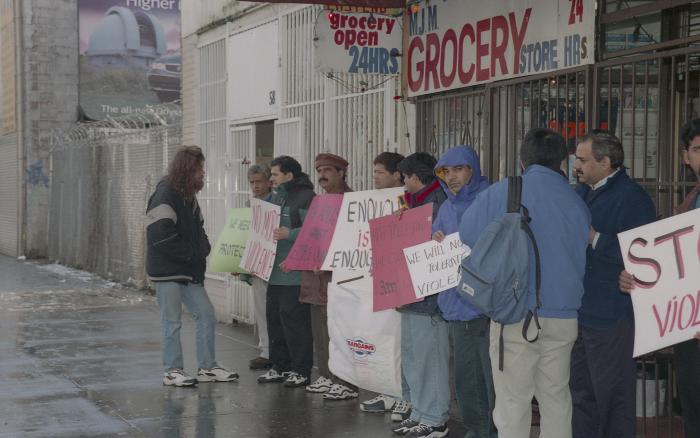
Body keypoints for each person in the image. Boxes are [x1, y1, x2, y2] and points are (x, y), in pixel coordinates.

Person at [460, 128, 590, 438]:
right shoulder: (577, 201)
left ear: (522, 161)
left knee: (512, 403)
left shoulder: (506, 191)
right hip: (564, 317)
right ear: (563, 162)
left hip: (516, 314)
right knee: (556, 399)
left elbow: (467, 233)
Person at [569, 131, 656, 438]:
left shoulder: (633, 197)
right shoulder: (580, 192)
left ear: (605, 163)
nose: (576, 166)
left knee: (613, 398)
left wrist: (594, 238)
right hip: (580, 312)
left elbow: (645, 255)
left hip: (613, 315)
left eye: (582, 160)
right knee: (581, 395)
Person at [619, 118, 700, 438]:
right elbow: (674, 265)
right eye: (697, 148)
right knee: (693, 413)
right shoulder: (689, 202)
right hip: (688, 333)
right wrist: (635, 279)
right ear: (686, 157)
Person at [146, 145, 238, 387]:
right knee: (171, 321)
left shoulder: (188, 196)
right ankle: (172, 371)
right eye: (199, 169)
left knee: (206, 314)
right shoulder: (165, 194)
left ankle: (207, 367)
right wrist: (193, 254)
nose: (203, 174)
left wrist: (203, 249)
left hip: (187, 271)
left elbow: (198, 229)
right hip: (169, 271)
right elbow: (160, 236)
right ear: (187, 169)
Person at [432, 145, 495, 437]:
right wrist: (436, 239)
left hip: (483, 305)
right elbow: (437, 243)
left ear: (473, 169)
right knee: (466, 377)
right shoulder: (445, 206)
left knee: (484, 377)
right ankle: (477, 429)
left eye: (459, 169)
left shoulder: (489, 200)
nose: (452, 177)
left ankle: (487, 431)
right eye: (446, 171)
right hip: (453, 303)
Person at [391, 152, 450, 438]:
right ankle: (419, 412)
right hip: (411, 293)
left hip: (429, 298)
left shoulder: (437, 203)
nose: (402, 183)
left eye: (404, 177)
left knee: (430, 359)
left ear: (415, 177)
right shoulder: (415, 203)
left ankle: (435, 418)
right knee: (414, 357)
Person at [301, 153, 359, 400]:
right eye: (319, 170)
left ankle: (345, 381)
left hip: (338, 276)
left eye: (328, 170)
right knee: (319, 329)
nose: (322, 175)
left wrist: (329, 264)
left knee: (340, 329)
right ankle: (325, 374)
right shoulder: (318, 202)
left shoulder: (352, 201)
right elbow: (310, 238)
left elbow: (353, 241)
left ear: (341, 172)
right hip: (315, 277)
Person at [359, 152, 412, 421]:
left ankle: (404, 394)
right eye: (374, 171)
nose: (375, 176)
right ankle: (388, 391)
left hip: (398, 279)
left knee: (400, 339)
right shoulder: (372, 202)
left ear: (396, 175)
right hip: (377, 276)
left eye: (380, 172)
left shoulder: (405, 200)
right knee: (382, 337)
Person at [256, 156, 315, 388]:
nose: (270, 179)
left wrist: (289, 234)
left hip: (295, 273)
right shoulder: (273, 198)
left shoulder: (306, 197)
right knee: (275, 321)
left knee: (295, 324)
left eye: (275, 175)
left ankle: (301, 370)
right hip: (274, 272)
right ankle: (280, 366)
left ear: (289, 176)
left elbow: (315, 230)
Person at [240, 164, 273, 371]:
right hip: (258, 263)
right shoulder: (249, 204)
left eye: (259, 181)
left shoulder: (276, 202)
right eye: (252, 182)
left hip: (273, 261)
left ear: (268, 181)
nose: (255, 186)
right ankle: (266, 350)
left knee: (274, 311)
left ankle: (272, 351)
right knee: (261, 309)